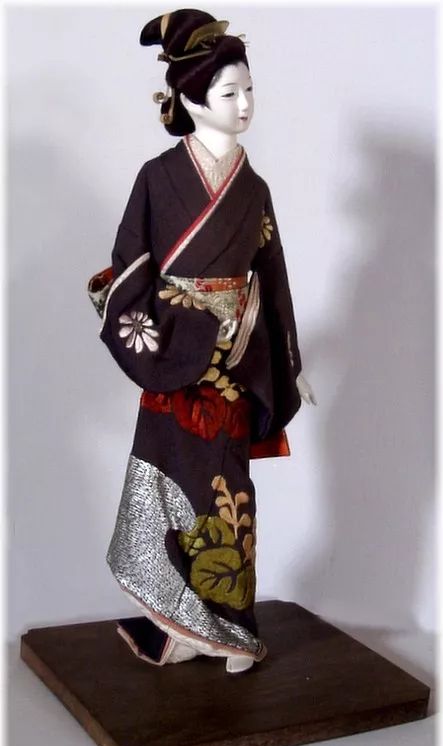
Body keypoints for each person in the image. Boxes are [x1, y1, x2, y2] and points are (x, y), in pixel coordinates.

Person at [87, 8, 316, 674]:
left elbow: (272, 275)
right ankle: (181, 623)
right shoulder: (158, 177)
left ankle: (230, 629)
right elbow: (130, 265)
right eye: (228, 92)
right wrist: (171, 325)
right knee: (171, 482)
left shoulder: (254, 189)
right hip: (174, 354)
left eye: (249, 90)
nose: (244, 104)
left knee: (226, 488)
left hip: (234, 363)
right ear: (190, 99)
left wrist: (289, 360)